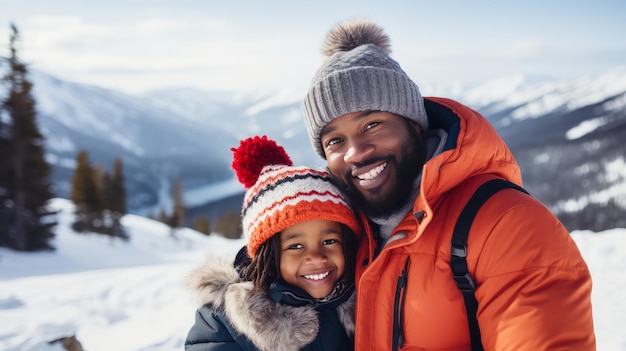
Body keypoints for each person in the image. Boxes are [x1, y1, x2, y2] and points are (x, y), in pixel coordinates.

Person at [302, 18, 596, 351]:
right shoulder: (342, 238)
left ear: (414, 126)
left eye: (372, 124)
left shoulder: (508, 225)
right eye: (335, 141)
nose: (355, 152)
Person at [184, 135, 361, 351]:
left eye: (329, 241)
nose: (316, 256)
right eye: (295, 246)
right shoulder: (226, 322)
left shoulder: (358, 302)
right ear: (266, 256)